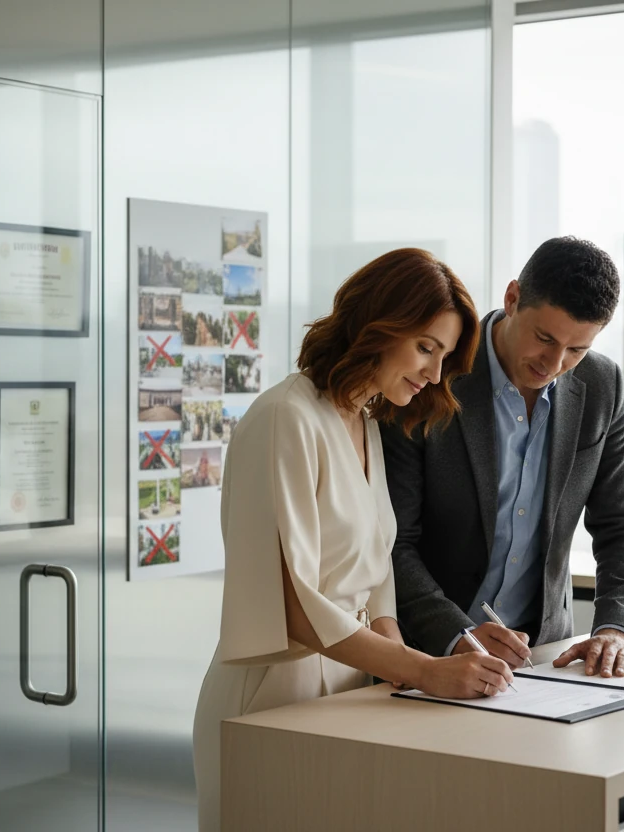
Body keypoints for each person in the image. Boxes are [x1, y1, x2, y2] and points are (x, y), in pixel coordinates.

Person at [192, 249, 514, 832]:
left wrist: (395, 666)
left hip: (349, 690)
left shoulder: (363, 420)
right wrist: (422, 669)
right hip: (272, 697)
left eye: (442, 358)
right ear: (376, 324)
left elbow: (378, 569)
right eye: (425, 347)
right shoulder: (284, 419)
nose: (434, 375)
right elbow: (291, 603)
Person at [382, 236, 624, 679]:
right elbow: (393, 540)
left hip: (543, 660)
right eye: (544, 338)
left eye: (576, 349)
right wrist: (456, 634)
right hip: (430, 659)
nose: (554, 363)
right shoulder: (432, 372)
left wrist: (617, 627)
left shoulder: (602, 385)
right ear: (512, 299)